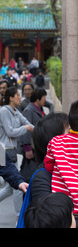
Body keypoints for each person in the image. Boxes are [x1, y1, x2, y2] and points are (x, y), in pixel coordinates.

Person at [0, 87, 34, 218]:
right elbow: (10, 132)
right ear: (11, 98)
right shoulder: (4, 111)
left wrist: (44, 130)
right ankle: (20, 216)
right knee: (17, 187)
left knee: (12, 186)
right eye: (18, 95)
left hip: (11, 152)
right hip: (5, 151)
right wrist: (25, 129)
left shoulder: (16, 111)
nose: (20, 97)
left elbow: (30, 125)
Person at [19, 88, 47, 182]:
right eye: (43, 97)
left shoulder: (39, 109)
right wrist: (27, 148)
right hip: (31, 148)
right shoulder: (29, 110)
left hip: (37, 147)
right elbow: (26, 129)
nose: (45, 99)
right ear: (37, 99)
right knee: (29, 171)